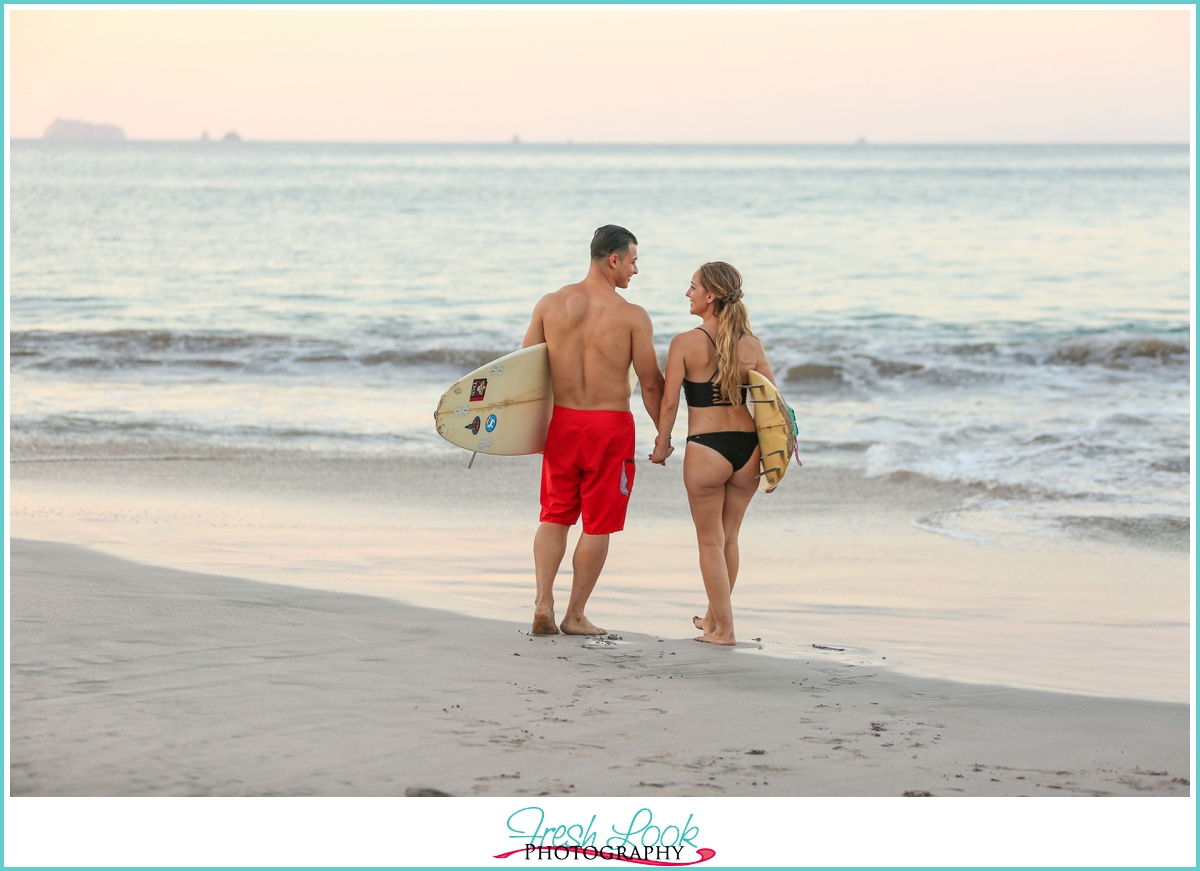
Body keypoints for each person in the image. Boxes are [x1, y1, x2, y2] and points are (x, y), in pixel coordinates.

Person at [522, 225, 668, 636]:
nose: (636, 271)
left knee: (554, 515)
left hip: (563, 424)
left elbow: (524, 375)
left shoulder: (549, 305)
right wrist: (664, 434)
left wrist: (528, 434)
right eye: (634, 261)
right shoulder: (632, 316)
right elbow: (651, 383)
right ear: (614, 259)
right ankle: (575, 615)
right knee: (598, 523)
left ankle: (543, 603)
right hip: (609, 428)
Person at [649, 262, 775, 645]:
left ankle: (726, 630)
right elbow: (773, 406)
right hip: (747, 450)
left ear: (711, 296)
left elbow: (669, 404)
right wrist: (774, 461)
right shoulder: (752, 344)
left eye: (692, 287)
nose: (688, 293)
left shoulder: (685, 343)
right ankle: (711, 621)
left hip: (707, 448)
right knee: (729, 538)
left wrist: (662, 444)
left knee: (709, 541)